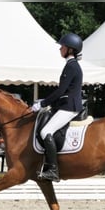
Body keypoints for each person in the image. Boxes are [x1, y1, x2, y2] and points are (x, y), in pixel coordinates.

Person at [30, 33, 84, 182]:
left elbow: (61, 91)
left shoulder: (71, 66)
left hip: (69, 107)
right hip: (66, 104)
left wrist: (42, 104)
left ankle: (53, 170)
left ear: (70, 50)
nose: (60, 48)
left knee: (45, 131)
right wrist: (46, 101)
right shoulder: (71, 65)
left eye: (63, 46)